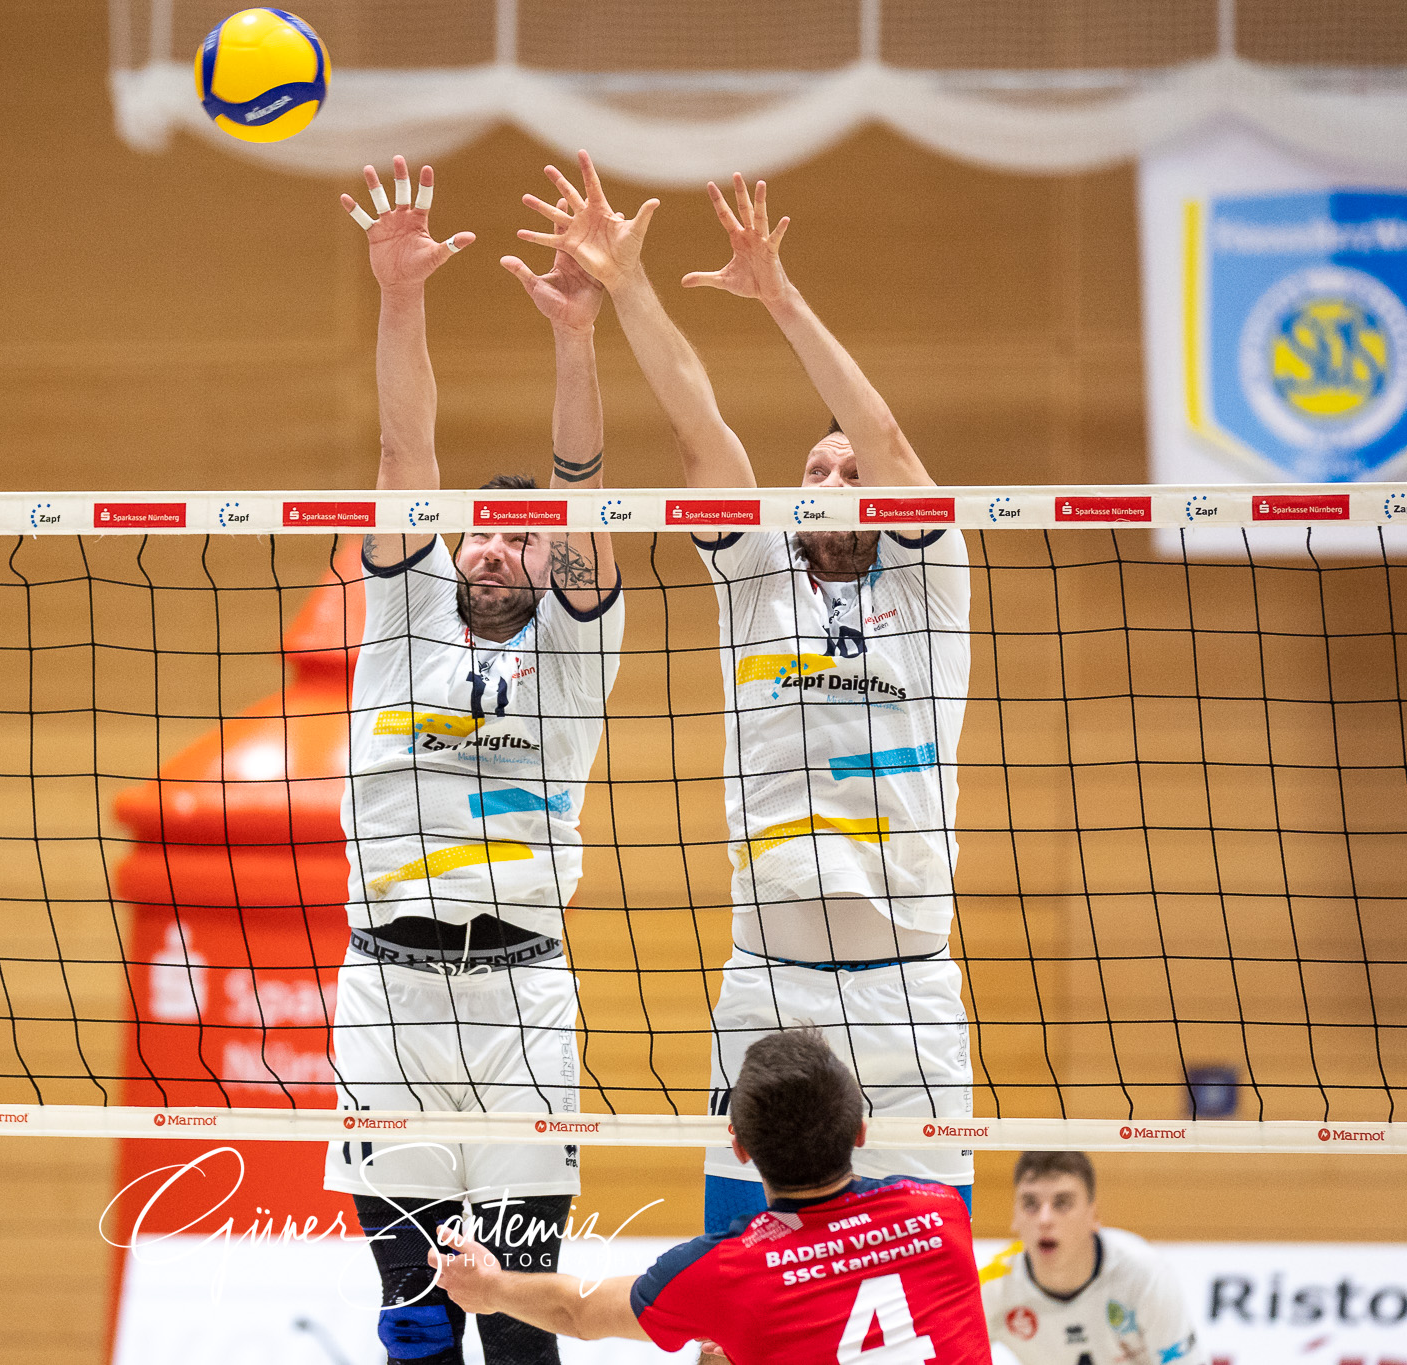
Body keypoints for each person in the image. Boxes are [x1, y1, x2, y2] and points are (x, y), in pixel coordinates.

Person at [517, 154, 976, 1233]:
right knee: (743, 1287)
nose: (825, 483)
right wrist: (627, 286)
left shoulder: (931, 580)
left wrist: (780, 298)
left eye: (844, 472)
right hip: (768, 988)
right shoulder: (757, 578)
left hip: (905, 990)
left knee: (923, 1278)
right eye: (810, 471)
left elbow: (893, 446)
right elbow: (699, 433)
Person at [327, 155, 625, 1365]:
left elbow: (587, 498)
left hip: (522, 1004)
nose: (493, 547)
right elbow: (406, 456)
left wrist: (574, 340)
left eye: (520, 534)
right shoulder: (400, 626)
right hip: (386, 999)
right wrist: (399, 295)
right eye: (480, 533)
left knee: (517, 1320)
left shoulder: (575, 657)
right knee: (410, 1316)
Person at [429, 1028, 993, 1363]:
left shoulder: (721, 1273)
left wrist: (490, 1287)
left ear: (740, 1150)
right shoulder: (942, 1212)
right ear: (862, 1133)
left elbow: (576, 1311)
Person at [982, 1152, 1201, 1365]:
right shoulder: (988, 1287)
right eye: (1030, 1204)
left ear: (1093, 1215)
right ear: (1014, 1216)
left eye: (1062, 1203)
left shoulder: (1144, 1274)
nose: (1044, 1219)